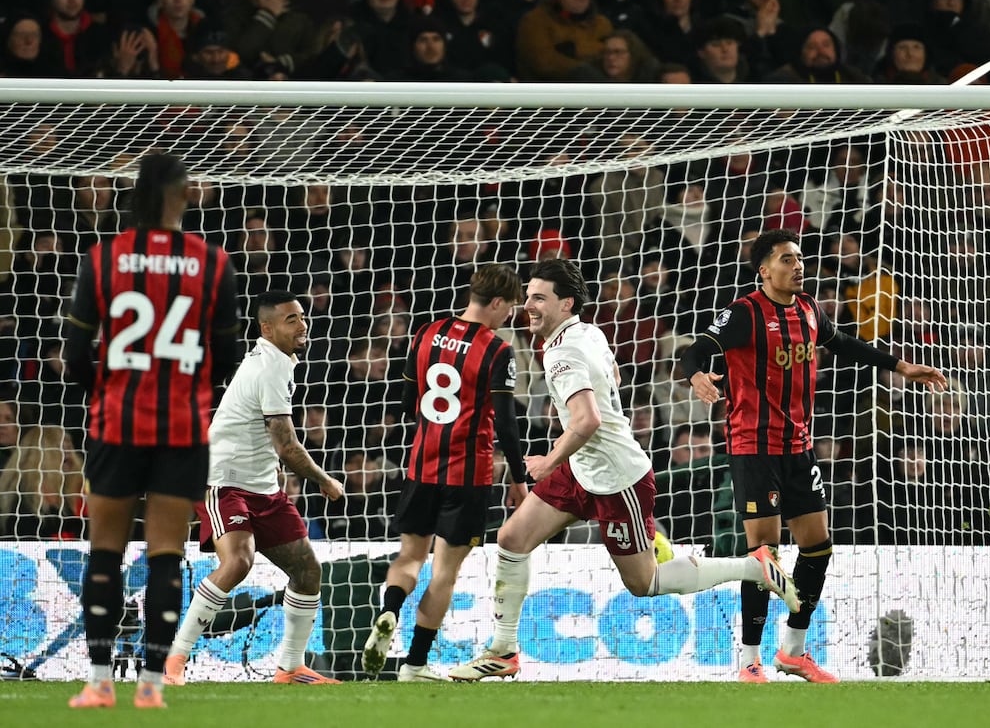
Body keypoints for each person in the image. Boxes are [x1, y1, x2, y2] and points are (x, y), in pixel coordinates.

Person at [449, 259, 799, 681]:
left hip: (617, 478)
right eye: (527, 298)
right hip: (584, 467)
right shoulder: (585, 331)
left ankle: (753, 567)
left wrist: (546, 461)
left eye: (538, 298)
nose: (529, 306)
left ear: (566, 303)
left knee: (645, 583)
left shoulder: (563, 352)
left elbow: (587, 420)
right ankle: (503, 650)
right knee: (512, 537)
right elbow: (610, 373)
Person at [679, 228, 947, 683]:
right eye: (787, 259)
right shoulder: (744, 313)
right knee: (764, 556)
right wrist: (696, 377)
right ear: (764, 270)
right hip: (754, 447)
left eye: (799, 258)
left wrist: (902, 366)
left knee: (818, 548)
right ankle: (748, 660)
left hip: (799, 448)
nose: (797, 265)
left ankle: (793, 650)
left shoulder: (809, 309)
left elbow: (844, 343)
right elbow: (697, 350)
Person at [61, 152, 241, 709]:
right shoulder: (213, 263)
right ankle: (152, 686)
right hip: (181, 427)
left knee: (106, 552)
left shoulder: (104, 257)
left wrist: (110, 389)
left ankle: (97, 682)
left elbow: (73, 356)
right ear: (183, 194)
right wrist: (186, 391)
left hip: (117, 422)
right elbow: (226, 356)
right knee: (166, 552)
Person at [163, 290, 344, 686]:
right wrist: (325, 480)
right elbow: (286, 444)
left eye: (301, 317)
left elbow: (270, 444)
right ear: (267, 328)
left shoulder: (278, 361)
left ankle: (290, 667)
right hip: (222, 480)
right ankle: (175, 659)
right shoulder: (268, 369)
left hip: (263, 488)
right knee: (238, 562)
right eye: (290, 320)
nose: (302, 324)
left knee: (307, 570)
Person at [360, 265, 530, 682]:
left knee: (409, 556)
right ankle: (414, 665)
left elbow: (405, 401)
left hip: (421, 467)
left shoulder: (424, 332)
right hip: (468, 477)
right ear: (495, 302)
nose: (510, 315)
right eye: (509, 306)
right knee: (444, 572)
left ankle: (388, 611)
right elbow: (507, 424)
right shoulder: (496, 350)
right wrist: (519, 478)